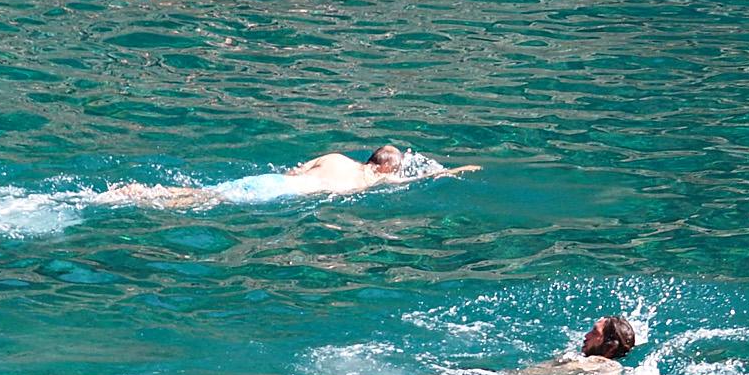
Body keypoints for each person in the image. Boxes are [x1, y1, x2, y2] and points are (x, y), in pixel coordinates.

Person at [98, 144, 475, 210]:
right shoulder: (372, 181)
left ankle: (139, 191)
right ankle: (140, 197)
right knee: (206, 199)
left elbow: (294, 170)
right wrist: (456, 170)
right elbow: (417, 181)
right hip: (277, 197)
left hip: (272, 181)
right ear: (385, 167)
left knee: (208, 191)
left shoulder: (335, 157)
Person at [499, 314, 647, 375]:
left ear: (610, 346)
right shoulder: (578, 356)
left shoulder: (609, 365)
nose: (586, 335)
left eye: (594, 332)